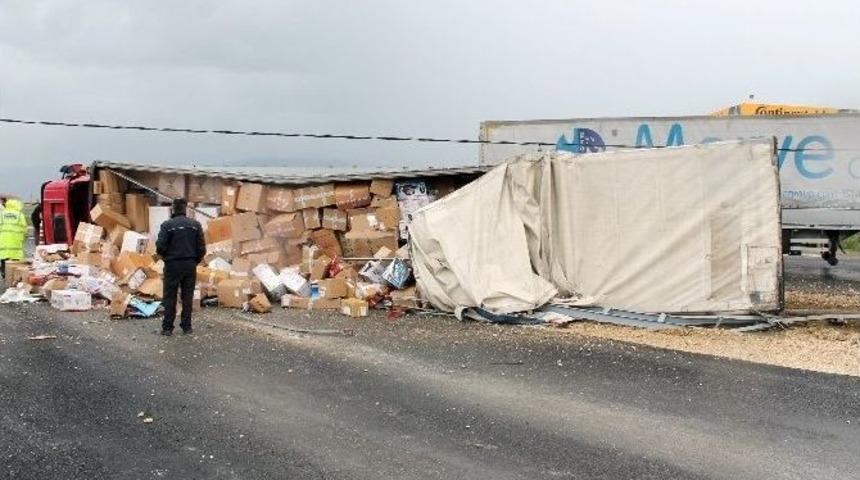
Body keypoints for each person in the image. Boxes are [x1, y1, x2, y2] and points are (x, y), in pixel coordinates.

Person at [155, 198, 205, 336]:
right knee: (187, 296)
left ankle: (167, 328)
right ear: (185, 209)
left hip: (172, 264)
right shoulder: (195, 225)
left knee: (170, 296)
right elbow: (201, 247)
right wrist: (195, 261)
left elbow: (160, 246)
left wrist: (166, 257)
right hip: (189, 265)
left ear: (173, 209)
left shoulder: (167, 225)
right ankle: (187, 327)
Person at [0, 198, 27, 277]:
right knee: (15, 260)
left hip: (3, 241)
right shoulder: (19, 215)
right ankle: (14, 276)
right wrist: (23, 237)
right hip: (16, 241)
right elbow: (24, 228)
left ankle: (4, 272)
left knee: (4, 257)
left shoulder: (2, 214)